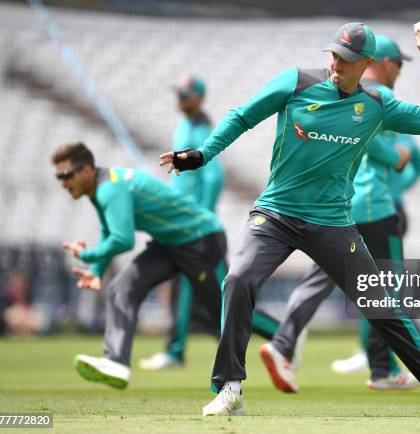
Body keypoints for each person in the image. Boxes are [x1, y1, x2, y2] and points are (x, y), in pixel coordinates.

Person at [161, 21, 420, 417]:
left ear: (367, 62)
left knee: (381, 308)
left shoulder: (376, 103)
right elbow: (242, 116)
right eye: (333, 54)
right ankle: (229, 388)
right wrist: (202, 154)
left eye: (346, 59)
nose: (336, 64)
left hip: (333, 223)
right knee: (238, 279)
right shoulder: (295, 83)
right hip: (275, 214)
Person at [257, 35, 420, 394]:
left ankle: (283, 342)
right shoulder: (380, 97)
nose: (398, 70)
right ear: (381, 62)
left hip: (335, 209)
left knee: (319, 280)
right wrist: (395, 160)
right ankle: (382, 368)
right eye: (398, 63)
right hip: (374, 208)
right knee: (383, 291)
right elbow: (384, 145)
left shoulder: (340, 94)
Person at [52, 142, 277, 389]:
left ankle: (285, 334)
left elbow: (122, 239)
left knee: (222, 312)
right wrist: (96, 271)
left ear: (85, 170)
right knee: (122, 288)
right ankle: (115, 361)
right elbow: (109, 230)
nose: (63, 182)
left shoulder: (109, 189)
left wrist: (88, 256)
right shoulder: (103, 187)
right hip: (169, 243)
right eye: (58, 176)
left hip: (200, 238)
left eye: (66, 175)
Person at [138, 74, 233, 371]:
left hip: (193, 226)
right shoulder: (185, 125)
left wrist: (201, 215)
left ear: (199, 98)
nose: (179, 99)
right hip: (183, 221)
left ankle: (176, 350)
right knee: (218, 294)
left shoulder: (201, 128)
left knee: (203, 292)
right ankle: (283, 335)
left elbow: (214, 176)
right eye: (178, 93)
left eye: (185, 95)